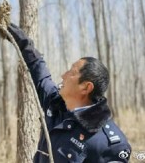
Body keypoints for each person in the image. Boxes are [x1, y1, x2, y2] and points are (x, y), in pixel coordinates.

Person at [8, 23, 131, 163]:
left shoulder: (108, 144)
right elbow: (41, 76)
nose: (63, 75)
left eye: (71, 72)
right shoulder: (56, 104)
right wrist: (24, 43)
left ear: (86, 88)